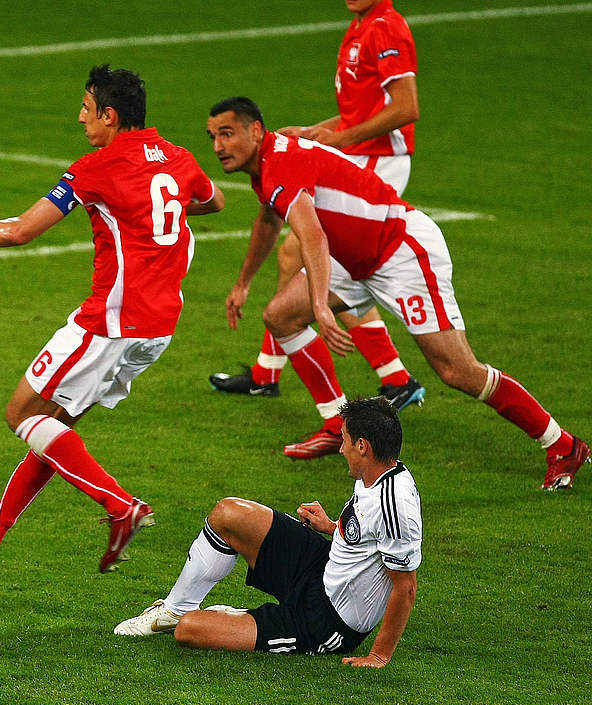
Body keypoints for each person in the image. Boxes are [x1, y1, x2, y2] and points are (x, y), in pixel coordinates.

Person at [0, 64, 225, 572]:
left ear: (110, 115)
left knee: (22, 415)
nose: (80, 118)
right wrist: (157, 208)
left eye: (87, 109)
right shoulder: (179, 157)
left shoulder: (96, 168)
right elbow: (213, 200)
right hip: (158, 328)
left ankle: (120, 505)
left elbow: (21, 230)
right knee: (55, 430)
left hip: (109, 322)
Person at [205, 96, 587, 488]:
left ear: (256, 130)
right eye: (213, 137)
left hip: (401, 251)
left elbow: (313, 236)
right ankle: (337, 424)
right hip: (355, 257)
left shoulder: (280, 163)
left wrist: (320, 303)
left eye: (227, 134)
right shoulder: (267, 163)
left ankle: (562, 444)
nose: (218, 146)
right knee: (281, 317)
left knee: (458, 371)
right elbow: (269, 220)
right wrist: (243, 282)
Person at [210, 0, 425, 415]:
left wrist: (341, 140)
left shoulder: (386, 27)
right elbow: (358, 113)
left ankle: (393, 378)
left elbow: (406, 108)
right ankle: (269, 372)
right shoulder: (360, 26)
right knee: (298, 256)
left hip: (380, 161)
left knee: (323, 260)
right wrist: (318, 131)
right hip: (363, 153)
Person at [115, 397, 418, 666]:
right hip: (321, 566)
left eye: (345, 440)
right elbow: (367, 537)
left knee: (190, 629)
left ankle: (223, 618)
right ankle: (172, 611)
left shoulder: (395, 504)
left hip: (325, 623)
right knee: (228, 513)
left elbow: (406, 588)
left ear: (363, 446)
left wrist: (379, 656)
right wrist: (330, 526)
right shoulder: (375, 472)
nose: (340, 449)